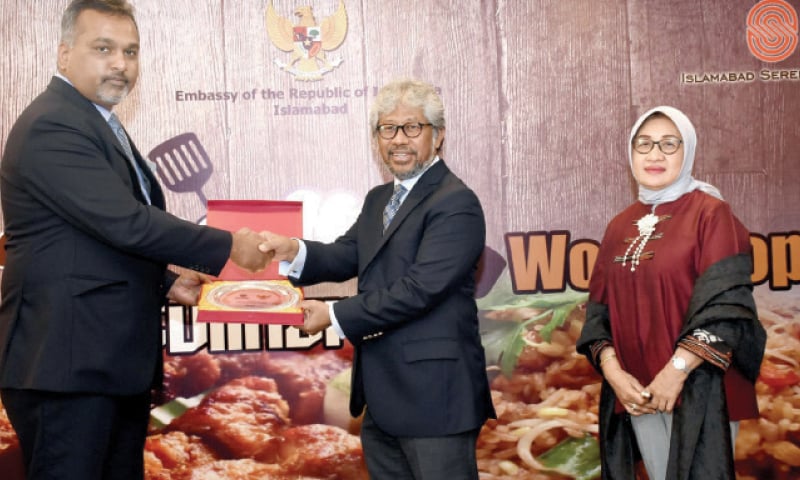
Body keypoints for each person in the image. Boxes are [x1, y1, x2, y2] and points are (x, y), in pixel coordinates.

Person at [0, 1, 271, 478]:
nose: (121, 64)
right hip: (68, 367)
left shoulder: (94, 120)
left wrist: (164, 281)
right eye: (103, 48)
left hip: (103, 364)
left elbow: (91, 237)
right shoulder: (54, 124)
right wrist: (229, 246)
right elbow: (125, 222)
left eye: (130, 51)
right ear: (64, 55)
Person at [259, 78, 496, 480]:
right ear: (376, 139)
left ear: (437, 137)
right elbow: (345, 255)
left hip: (435, 399)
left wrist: (333, 316)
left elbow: (420, 289)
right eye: (387, 128)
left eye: (412, 127)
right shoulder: (378, 200)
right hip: (382, 399)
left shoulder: (456, 202)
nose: (398, 139)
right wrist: (292, 251)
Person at [577, 106, 766, 479]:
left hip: (700, 386)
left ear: (688, 151)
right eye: (644, 144)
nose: (655, 154)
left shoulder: (711, 214)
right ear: (631, 153)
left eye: (669, 143)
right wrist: (615, 375)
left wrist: (676, 371)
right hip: (638, 392)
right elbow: (599, 313)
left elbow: (726, 306)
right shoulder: (619, 225)